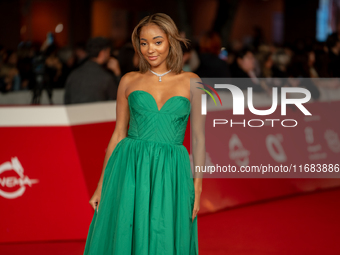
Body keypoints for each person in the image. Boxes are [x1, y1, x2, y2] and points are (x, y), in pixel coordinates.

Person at [83, 13, 205, 255]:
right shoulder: (129, 80)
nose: (150, 49)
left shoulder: (192, 82)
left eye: (157, 42)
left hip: (172, 170)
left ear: (171, 41)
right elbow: (118, 134)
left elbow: (199, 139)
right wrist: (101, 185)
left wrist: (198, 188)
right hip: (131, 166)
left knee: (166, 235)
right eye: (143, 42)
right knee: (128, 231)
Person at [64, 37, 118, 104]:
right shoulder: (105, 77)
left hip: (74, 114)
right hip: (98, 113)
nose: (109, 55)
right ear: (102, 53)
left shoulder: (73, 74)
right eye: (108, 52)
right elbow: (117, 100)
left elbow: (66, 101)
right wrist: (117, 73)